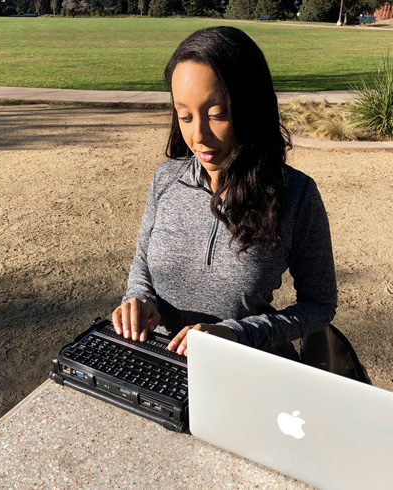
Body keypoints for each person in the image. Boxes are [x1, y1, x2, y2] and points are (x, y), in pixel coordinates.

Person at [112, 26, 337, 361]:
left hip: (246, 368)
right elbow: (143, 260)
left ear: (251, 107)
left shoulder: (297, 194)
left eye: (217, 114)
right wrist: (139, 297)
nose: (198, 135)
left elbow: (319, 305)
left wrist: (237, 333)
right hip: (161, 362)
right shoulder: (165, 180)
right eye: (184, 116)